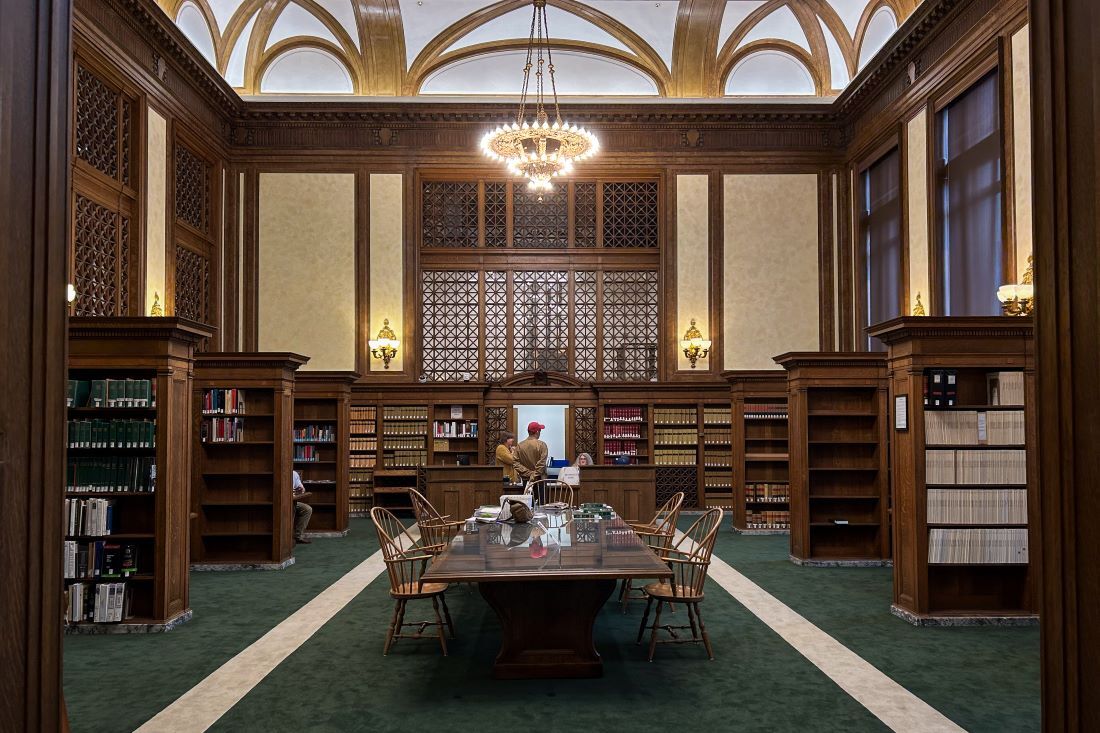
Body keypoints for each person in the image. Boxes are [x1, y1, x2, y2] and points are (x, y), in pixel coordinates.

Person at [514, 421, 548, 485]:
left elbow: (515, 463)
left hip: (526, 480)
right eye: (540, 431)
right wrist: (534, 475)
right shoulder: (542, 445)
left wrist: (529, 473)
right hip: (540, 480)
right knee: (540, 495)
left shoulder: (520, 445)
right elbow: (542, 463)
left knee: (527, 495)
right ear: (537, 432)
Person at [292, 469, 313, 545]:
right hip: (280, 501)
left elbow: (302, 488)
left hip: (292, 501)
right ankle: (287, 536)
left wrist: (301, 489)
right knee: (291, 509)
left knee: (307, 509)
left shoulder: (294, 474)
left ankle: (298, 536)